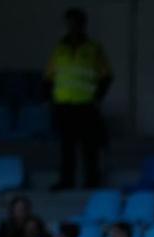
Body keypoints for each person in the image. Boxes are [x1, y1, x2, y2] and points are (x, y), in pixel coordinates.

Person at [44, 8, 112, 190]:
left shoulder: (94, 48)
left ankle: (91, 181)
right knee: (67, 147)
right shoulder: (60, 48)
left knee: (90, 146)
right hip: (64, 104)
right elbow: (49, 77)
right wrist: (51, 99)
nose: (72, 26)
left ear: (83, 24)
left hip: (86, 104)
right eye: (69, 23)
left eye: (75, 22)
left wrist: (97, 97)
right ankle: (67, 181)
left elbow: (106, 76)